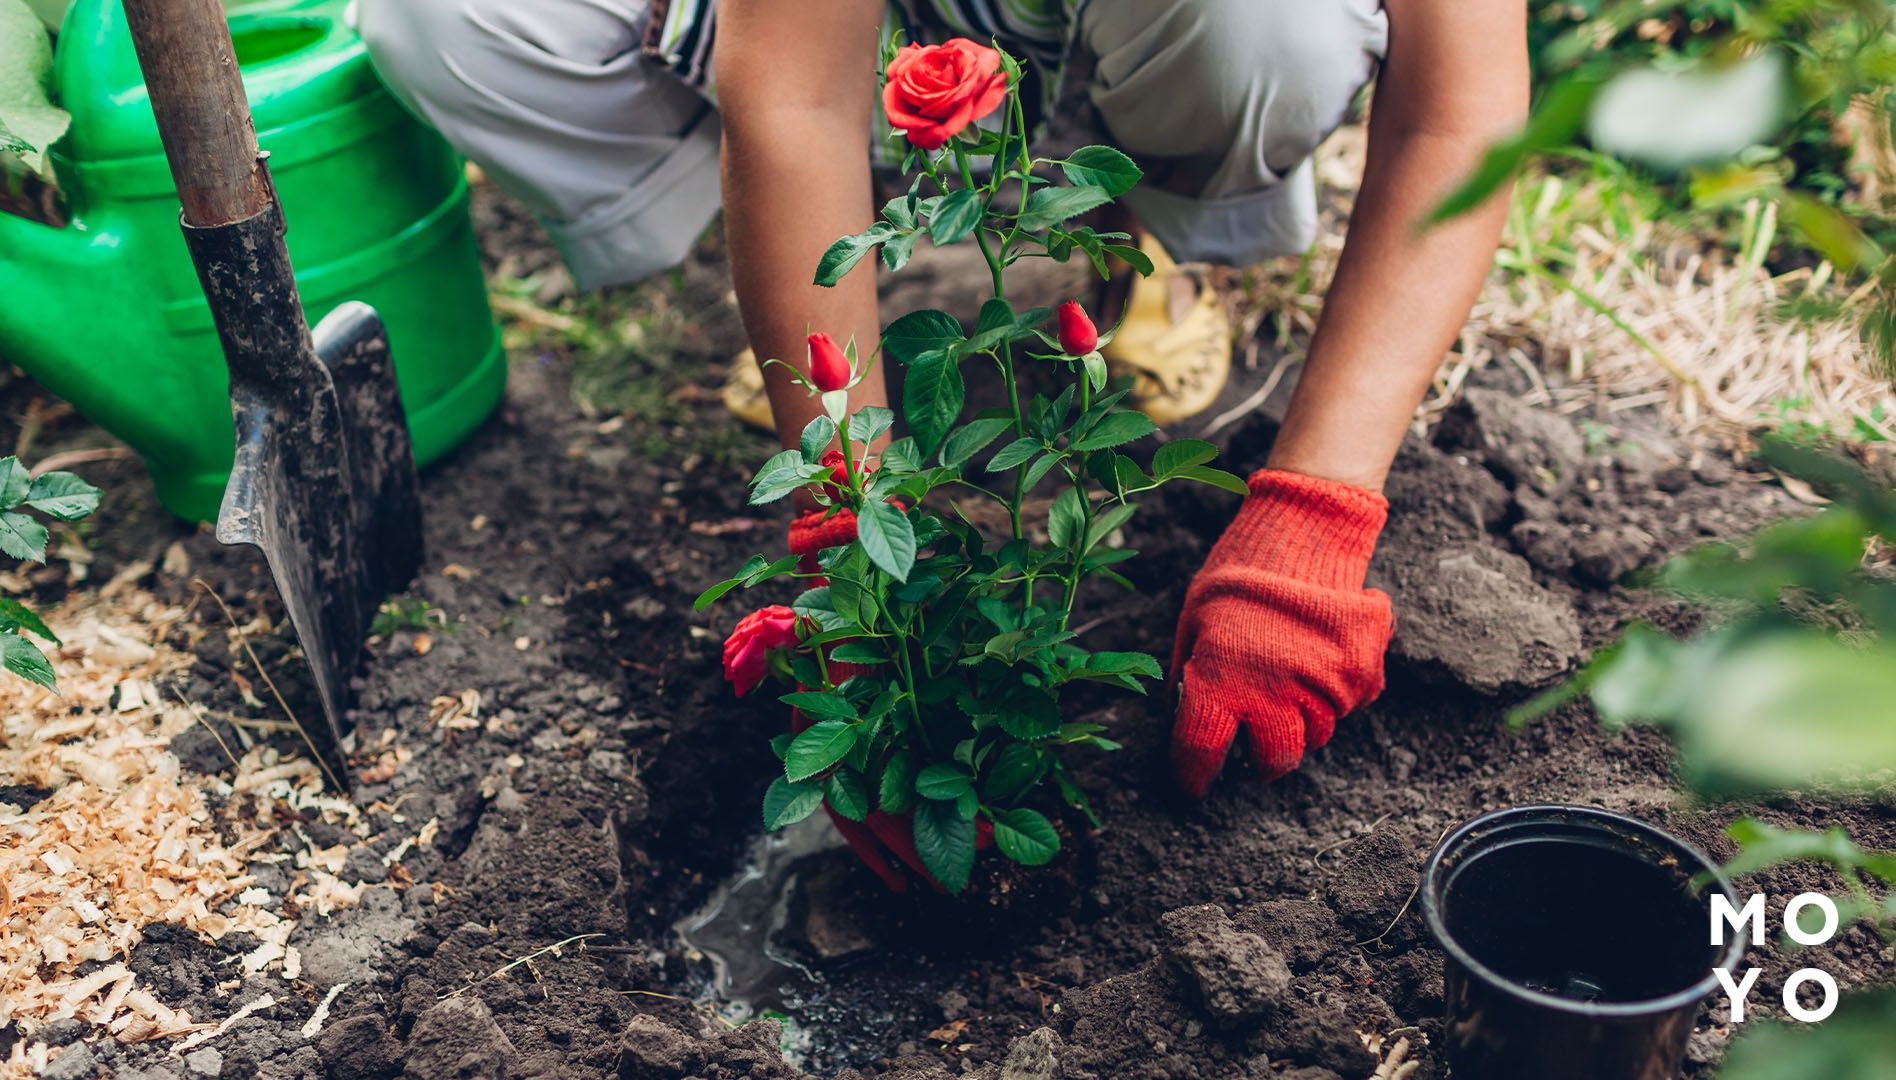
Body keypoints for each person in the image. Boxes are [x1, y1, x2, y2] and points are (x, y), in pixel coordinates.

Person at [354, 0, 1528, 797]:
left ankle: (1137, 248)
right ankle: (821, 288)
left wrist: (1315, 511)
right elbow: (798, 92)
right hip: (889, 37)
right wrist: (844, 520)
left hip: (1169, 37)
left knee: (1259, 28)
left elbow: (1461, 110)